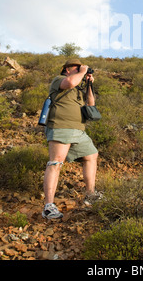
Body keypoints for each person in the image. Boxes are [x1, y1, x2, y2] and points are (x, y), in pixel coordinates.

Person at [42, 58, 101, 220]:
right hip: (60, 127)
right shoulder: (60, 80)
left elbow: (90, 103)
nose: (80, 69)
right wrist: (82, 72)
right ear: (67, 69)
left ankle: (90, 195)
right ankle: (49, 206)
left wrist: (89, 84)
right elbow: (69, 83)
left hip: (78, 130)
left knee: (91, 155)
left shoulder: (78, 88)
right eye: (77, 67)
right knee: (55, 163)